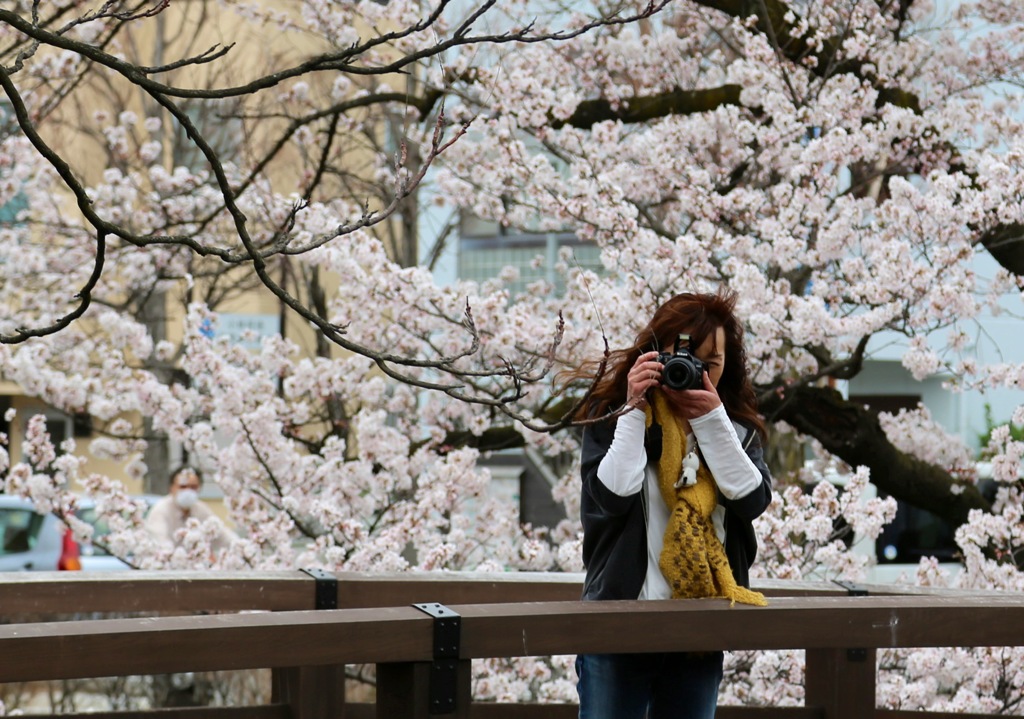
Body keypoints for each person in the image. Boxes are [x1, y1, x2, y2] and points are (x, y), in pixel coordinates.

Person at [570, 289, 773, 719]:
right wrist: (631, 408)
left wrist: (712, 421)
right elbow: (611, 496)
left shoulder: (737, 430)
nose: (695, 373)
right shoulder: (611, 417)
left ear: (725, 367)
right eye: (682, 360)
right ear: (653, 355)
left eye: (710, 365)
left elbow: (751, 499)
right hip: (619, 622)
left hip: (699, 626)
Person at [145, 466, 236, 553]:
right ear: (172, 488)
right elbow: (160, 541)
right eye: (183, 487)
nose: (188, 491)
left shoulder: (200, 509)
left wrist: (241, 548)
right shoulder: (161, 510)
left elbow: (223, 536)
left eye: (193, 487)